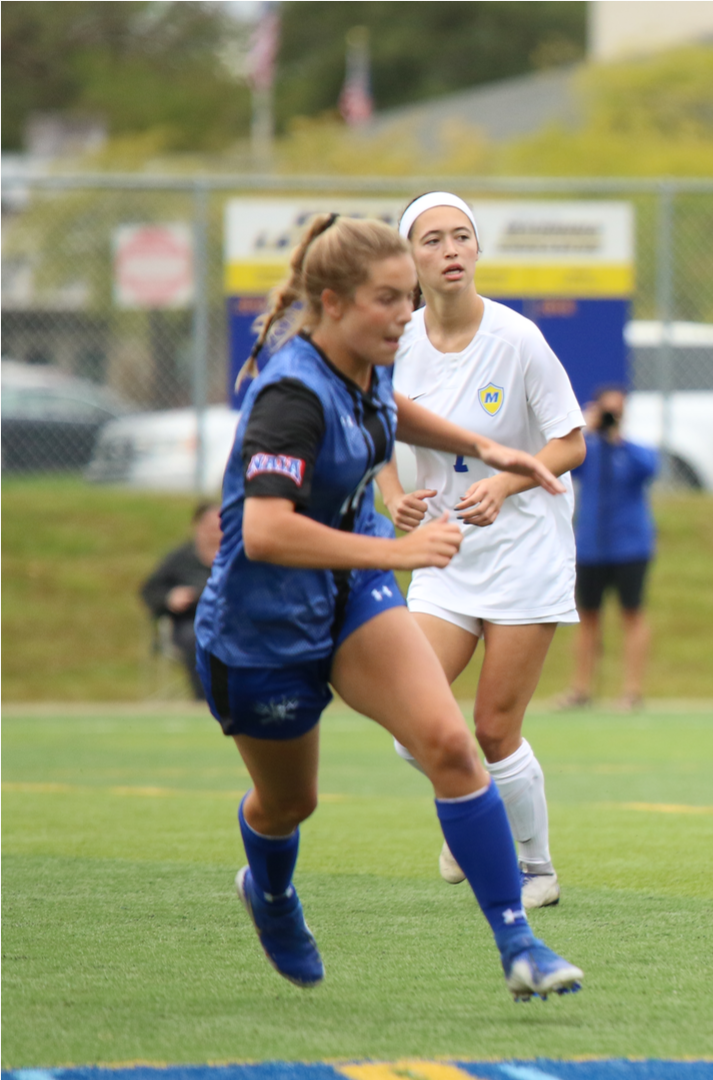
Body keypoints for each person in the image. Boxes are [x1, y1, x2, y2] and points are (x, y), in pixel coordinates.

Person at [194, 210, 583, 999]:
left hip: (350, 599)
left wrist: (493, 450)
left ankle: (520, 941)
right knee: (288, 801)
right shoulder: (288, 399)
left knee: (450, 742)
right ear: (332, 302)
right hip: (262, 625)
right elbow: (266, 532)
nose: (405, 315)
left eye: (408, 299)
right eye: (388, 300)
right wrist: (397, 551)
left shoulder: (370, 367)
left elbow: (389, 412)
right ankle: (268, 892)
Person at [375, 192, 586, 911]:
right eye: (432, 240)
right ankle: (468, 799)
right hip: (444, 554)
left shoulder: (518, 337)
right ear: (410, 260)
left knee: (495, 728)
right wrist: (390, 492)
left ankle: (536, 871)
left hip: (526, 548)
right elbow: (374, 431)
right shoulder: (393, 340)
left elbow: (571, 441)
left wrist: (504, 483)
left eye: (461, 236)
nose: (450, 250)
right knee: (414, 718)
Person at [560, 385, 660, 711]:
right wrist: (584, 428)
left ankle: (632, 691)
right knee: (587, 617)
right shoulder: (589, 451)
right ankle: (581, 688)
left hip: (630, 546)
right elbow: (561, 463)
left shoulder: (632, 452)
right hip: (591, 546)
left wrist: (616, 437)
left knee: (632, 613)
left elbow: (650, 469)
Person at [140, 500, 221, 699]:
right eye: (210, 526)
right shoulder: (181, 559)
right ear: (197, 526)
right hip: (190, 622)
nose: (216, 531)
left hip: (230, 622)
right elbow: (150, 590)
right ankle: (204, 701)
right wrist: (170, 597)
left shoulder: (237, 557)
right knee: (198, 639)